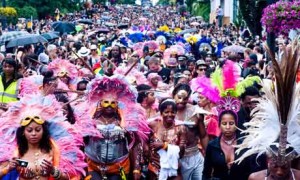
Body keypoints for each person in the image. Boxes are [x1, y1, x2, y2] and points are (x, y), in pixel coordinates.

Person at [235, 37, 300, 180]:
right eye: (275, 166)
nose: (279, 172)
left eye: (284, 167)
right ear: (267, 161)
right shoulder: (255, 178)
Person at [0, 94, 86, 179]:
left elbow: (68, 178)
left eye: (38, 130)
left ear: (43, 131)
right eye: (29, 130)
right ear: (23, 132)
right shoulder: (15, 152)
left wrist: (52, 171)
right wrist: (8, 168)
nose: (33, 134)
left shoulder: (53, 149)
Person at [84, 75, 150, 180]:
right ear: (100, 103)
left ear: (118, 104)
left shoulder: (127, 121)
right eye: (106, 102)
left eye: (113, 103)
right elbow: (80, 143)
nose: (109, 105)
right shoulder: (88, 120)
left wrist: (136, 168)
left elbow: (135, 144)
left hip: (119, 167)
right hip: (93, 166)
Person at [172, 83, 208, 180]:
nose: (182, 101)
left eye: (185, 98)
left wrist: (208, 155)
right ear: (173, 95)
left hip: (195, 156)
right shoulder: (167, 111)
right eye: (179, 97)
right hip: (175, 158)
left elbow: (203, 135)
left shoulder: (196, 111)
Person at [148, 98, 187, 180]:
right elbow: (144, 143)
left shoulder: (181, 128)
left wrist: (164, 146)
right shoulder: (153, 125)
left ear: (176, 113)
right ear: (161, 113)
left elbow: (181, 153)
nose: (170, 114)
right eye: (166, 112)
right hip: (155, 167)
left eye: (172, 112)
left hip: (173, 169)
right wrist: (149, 155)